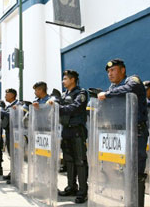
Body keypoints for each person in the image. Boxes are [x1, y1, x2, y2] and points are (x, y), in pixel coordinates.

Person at [98, 59, 148, 207]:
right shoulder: (113, 88)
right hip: (120, 132)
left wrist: (108, 93)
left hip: (136, 132)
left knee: (136, 170)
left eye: (113, 70)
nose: (110, 74)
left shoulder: (132, 80)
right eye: (108, 72)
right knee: (123, 170)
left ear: (123, 70)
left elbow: (131, 88)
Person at [48, 70, 88, 204]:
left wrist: (58, 107)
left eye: (65, 79)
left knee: (80, 161)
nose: (63, 81)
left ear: (72, 80)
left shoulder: (81, 93)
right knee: (69, 160)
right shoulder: (63, 95)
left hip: (77, 131)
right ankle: (71, 187)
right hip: (66, 131)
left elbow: (76, 107)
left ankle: (83, 192)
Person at [1, 88, 19, 184]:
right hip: (8, 132)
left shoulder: (18, 104)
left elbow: (12, 115)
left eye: (7, 95)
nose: (5, 96)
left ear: (12, 95)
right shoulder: (9, 106)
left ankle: (16, 175)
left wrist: (1, 112)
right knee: (11, 154)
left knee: (15, 154)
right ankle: (12, 173)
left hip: (14, 133)